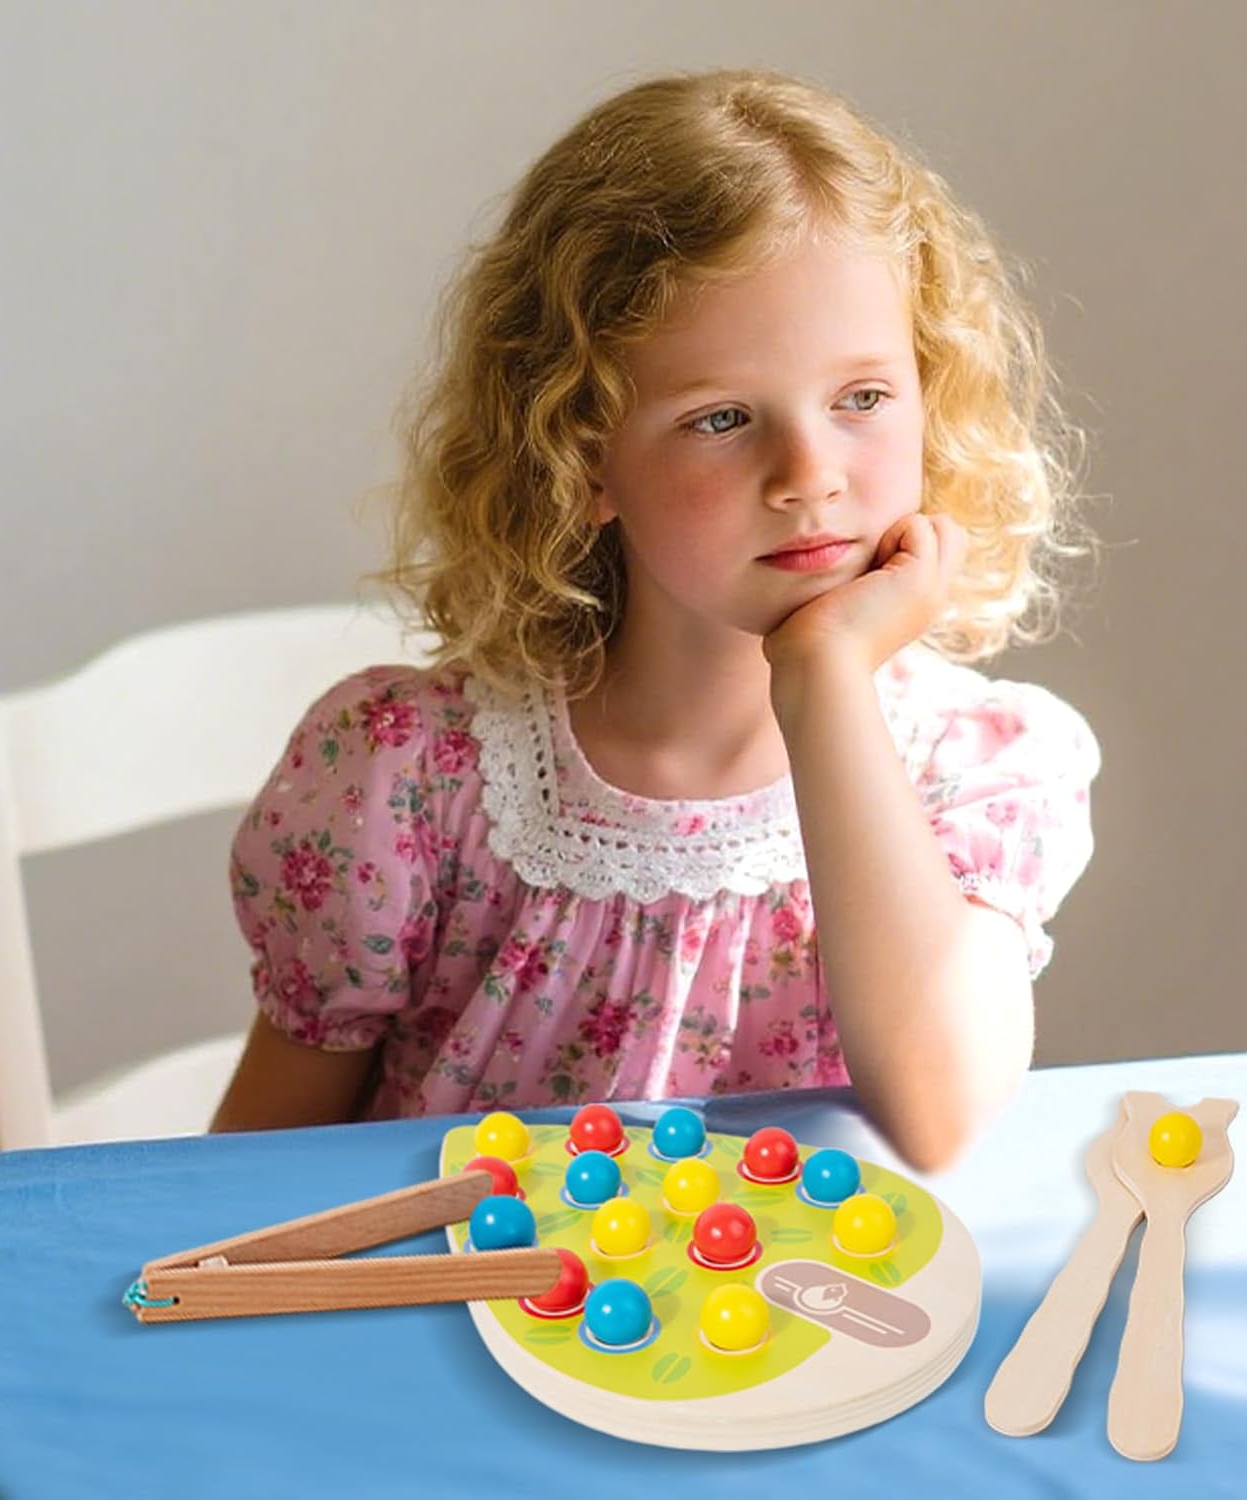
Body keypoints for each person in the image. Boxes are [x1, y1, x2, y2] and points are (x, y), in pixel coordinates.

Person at [211, 68, 1100, 1171]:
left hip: (815, 1290)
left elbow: (940, 1115)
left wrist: (824, 680)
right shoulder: (410, 782)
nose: (809, 474)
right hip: (463, 1284)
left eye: (862, 398)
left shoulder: (978, 772)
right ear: (582, 456)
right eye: (721, 418)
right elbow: (242, 1183)